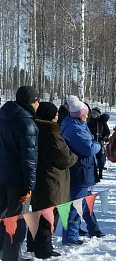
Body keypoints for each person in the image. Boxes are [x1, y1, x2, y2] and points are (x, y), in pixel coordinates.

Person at [26, 102, 78, 259]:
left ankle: (33, 245)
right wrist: (74, 155)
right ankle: (44, 248)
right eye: (55, 113)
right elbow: (64, 158)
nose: (57, 116)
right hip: (52, 180)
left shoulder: (33, 129)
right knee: (48, 215)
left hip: (39, 178)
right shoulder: (51, 132)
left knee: (37, 212)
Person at [0, 86, 40, 261]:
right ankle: (12, 257)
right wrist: (29, 185)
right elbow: (29, 159)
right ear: (33, 101)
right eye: (37, 100)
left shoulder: (2, 116)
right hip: (17, 180)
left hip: (2, 176)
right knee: (16, 220)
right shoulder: (27, 123)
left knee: (2, 218)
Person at [60, 95, 103, 245]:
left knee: (85, 202)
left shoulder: (79, 125)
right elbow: (89, 148)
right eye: (85, 113)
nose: (88, 116)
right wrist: (98, 145)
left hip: (85, 170)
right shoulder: (73, 129)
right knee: (76, 205)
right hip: (79, 171)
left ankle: (92, 228)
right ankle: (70, 237)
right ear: (79, 114)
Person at [87, 107, 110, 180]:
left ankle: (100, 173)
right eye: (92, 113)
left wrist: (104, 137)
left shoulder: (101, 122)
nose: (93, 115)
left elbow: (107, 132)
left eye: (95, 113)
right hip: (91, 141)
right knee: (91, 158)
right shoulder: (90, 121)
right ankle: (93, 173)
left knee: (100, 158)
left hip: (100, 141)